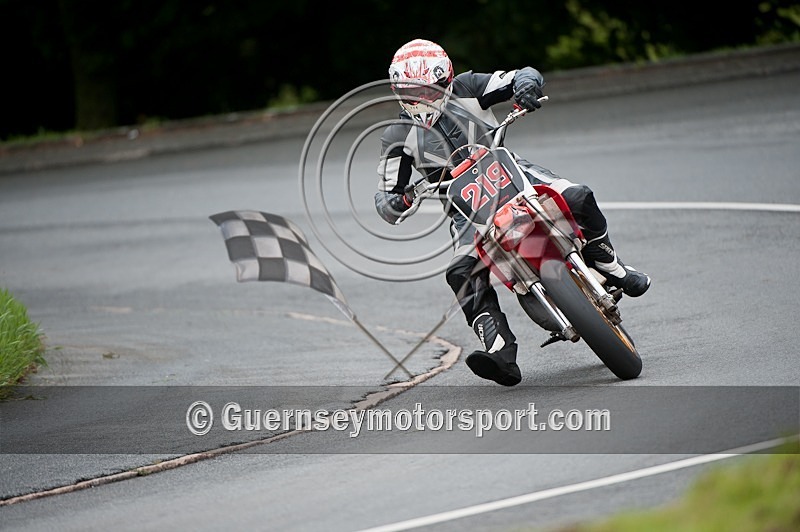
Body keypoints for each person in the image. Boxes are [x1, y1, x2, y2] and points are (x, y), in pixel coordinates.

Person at [374, 38, 650, 386]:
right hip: (465, 210)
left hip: (513, 173)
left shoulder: (470, 86)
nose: (423, 99)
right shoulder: (396, 136)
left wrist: (526, 87)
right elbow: (385, 196)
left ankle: (612, 266)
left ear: (447, 80)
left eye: (430, 90)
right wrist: (397, 202)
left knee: (579, 196)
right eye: (413, 92)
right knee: (460, 272)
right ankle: (500, 350)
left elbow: (522, 74)